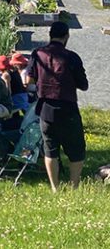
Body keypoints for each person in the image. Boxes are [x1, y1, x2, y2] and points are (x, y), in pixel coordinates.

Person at [27, 21, 89, 192]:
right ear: (66, 36)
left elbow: (28, 80)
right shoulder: (72, 57)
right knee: (76, 149)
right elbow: (83, 85)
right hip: (67, 108)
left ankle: (55, 188)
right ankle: (74, 186)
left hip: (45, 109)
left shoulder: (37, 54)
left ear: (50, 34)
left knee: (50, 149)